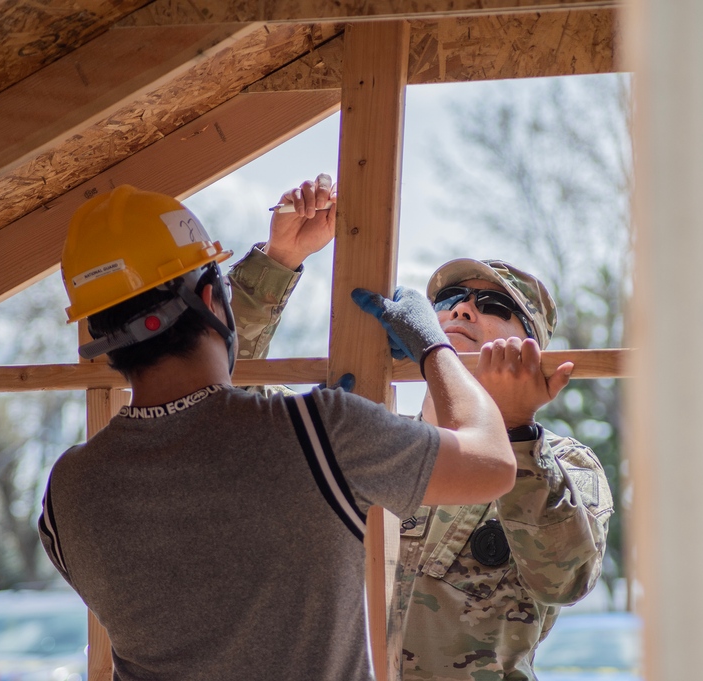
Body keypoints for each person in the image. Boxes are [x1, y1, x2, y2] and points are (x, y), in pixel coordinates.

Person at [37, 180, 524, 681]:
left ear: (99, 337)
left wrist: (278, 259)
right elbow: (491, 463)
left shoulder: (68, 489)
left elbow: (208, 442)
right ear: (211, 296)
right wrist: (432, 346)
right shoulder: (320, 432)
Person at [230, 200, 613, 681]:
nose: (464, 309)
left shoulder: (558, 460)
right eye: (449, 300)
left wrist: (515, 431)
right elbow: (223, 405)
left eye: (496, 306)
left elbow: (565, 579)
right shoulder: (367, 441)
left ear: (529, 347)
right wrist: (278, 260)